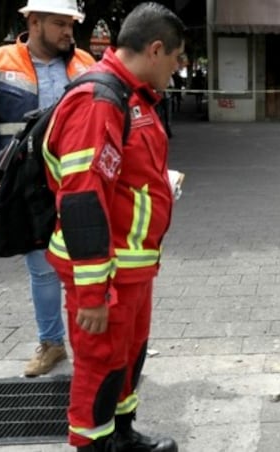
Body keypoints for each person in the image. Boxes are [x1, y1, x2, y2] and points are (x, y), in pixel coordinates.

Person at [42, 3, 185, 451]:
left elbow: (122, 176)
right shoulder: (99, 101)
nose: (178, 69)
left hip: (132, 267)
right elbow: (83, 199)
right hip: (106, 274)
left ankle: (121, 435)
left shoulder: (132, 96)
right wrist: (93, 292)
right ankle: (94, 444)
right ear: (156, 49)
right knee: (100, 365)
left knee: (128, 356)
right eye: (177, 59)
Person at [0, 0, 95, 376]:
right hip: (26, 187)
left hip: (76, 181)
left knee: (87, 265)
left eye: (71, 24)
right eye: (59, 24)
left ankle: (89, 346)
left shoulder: (87, 65)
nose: (68, 32)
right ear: (33, 21)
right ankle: (52, 343)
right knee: (42, 269)